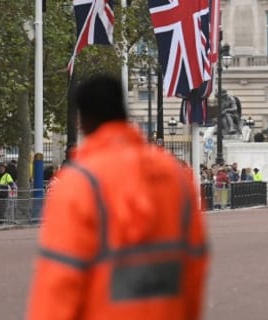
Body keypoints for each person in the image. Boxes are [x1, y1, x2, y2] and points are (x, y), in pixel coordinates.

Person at [27, 74, 208, 319]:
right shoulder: (173, 174)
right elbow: (195, 261)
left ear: (83, 121)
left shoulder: (79, 182)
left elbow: (60, 277)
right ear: (124, 111)